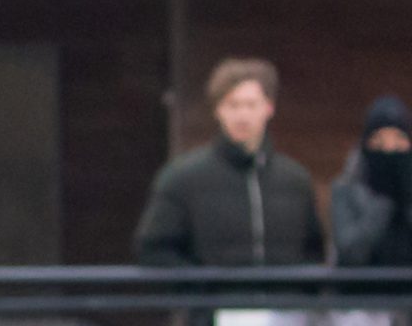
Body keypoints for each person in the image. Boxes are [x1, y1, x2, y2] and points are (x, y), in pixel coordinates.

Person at [133, 58, 324, 266]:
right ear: (218, 110)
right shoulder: (182, 178)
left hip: (282, 298)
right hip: (215, 298)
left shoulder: (295, 181)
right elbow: (154, 249)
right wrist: (202, 291)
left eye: (251, 105)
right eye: (232, 105)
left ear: (268, 108)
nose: (242, 115)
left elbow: (314, 252)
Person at [331, 95, 412, 269]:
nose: (389, 149)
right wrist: (383, 203)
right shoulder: (346, 188)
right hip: (363, 293)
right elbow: (350, 254)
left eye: (398, 140)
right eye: (379, 140)